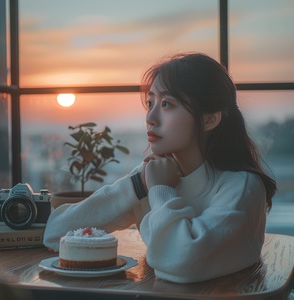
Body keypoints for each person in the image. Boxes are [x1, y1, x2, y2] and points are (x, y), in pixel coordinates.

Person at [43, 52, 276, 283]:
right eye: (150, 103)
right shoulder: (151, 176)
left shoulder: (241, 187)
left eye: (167, 104)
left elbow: (181, 263)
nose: (151, 117)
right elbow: (55, 233)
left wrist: (161, 190)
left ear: (209, 119)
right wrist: (138, 185)